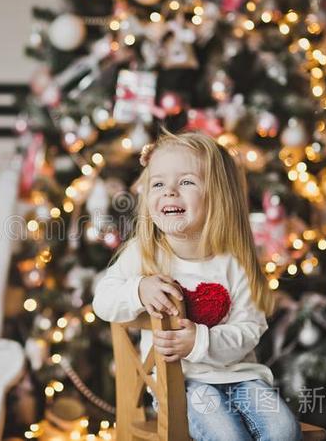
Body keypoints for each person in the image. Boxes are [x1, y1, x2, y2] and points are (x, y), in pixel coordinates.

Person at [92, 130, 302, 441]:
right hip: (184, 384)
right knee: (228, 436)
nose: (170, 192)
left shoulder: (235, 262)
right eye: (158, 184)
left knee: (285, 431)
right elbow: (103, 301)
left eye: (187, 182)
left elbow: (249, 329)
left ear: (217, 195)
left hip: (241, 377)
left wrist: (198, 342)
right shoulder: (145, 254)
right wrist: (138, 289)